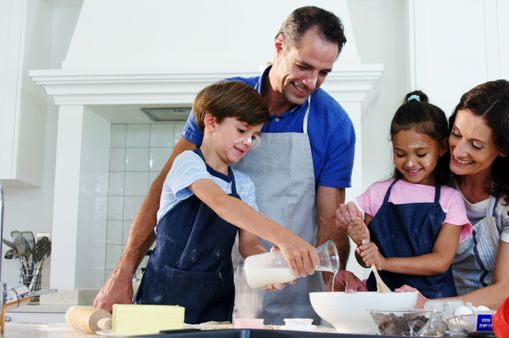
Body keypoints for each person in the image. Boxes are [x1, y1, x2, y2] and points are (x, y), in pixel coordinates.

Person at [94, 6, 361, 324]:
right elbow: (191, 194)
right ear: (279, 46)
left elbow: (328, 221)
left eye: (324, 72)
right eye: (304, 66)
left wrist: (333, 287)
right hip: (216, 291)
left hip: (287, 291)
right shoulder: (223, 102)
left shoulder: (334, 124)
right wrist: (123, 271)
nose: (312, 82)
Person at [134, 81, 319, 324]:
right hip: (165, 295)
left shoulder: (242, 184)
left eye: (254, 136)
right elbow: (220, 203)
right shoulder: (188, 163)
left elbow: (249, 243)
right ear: (211, 122)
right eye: (242, 131)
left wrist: (267, 266)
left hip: (216, 299)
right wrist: (285, 238)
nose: (248, 142)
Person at [393, 79, 509, 310]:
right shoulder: (435, 179)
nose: (459, 151)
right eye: (456, 134)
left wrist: (428, 306)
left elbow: (502, 291)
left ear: (504, 149)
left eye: (476, 145)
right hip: (455, 311)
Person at [337, 91, 471, 299]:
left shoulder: (449, 199)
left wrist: (385, 262)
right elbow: (367, 260)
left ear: (442, 148)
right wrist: (361, 243)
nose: (409, 162)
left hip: (432, 304)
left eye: (420, 154)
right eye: (400, 154)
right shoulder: (378, 194)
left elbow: (440, 261)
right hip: (382, 300)